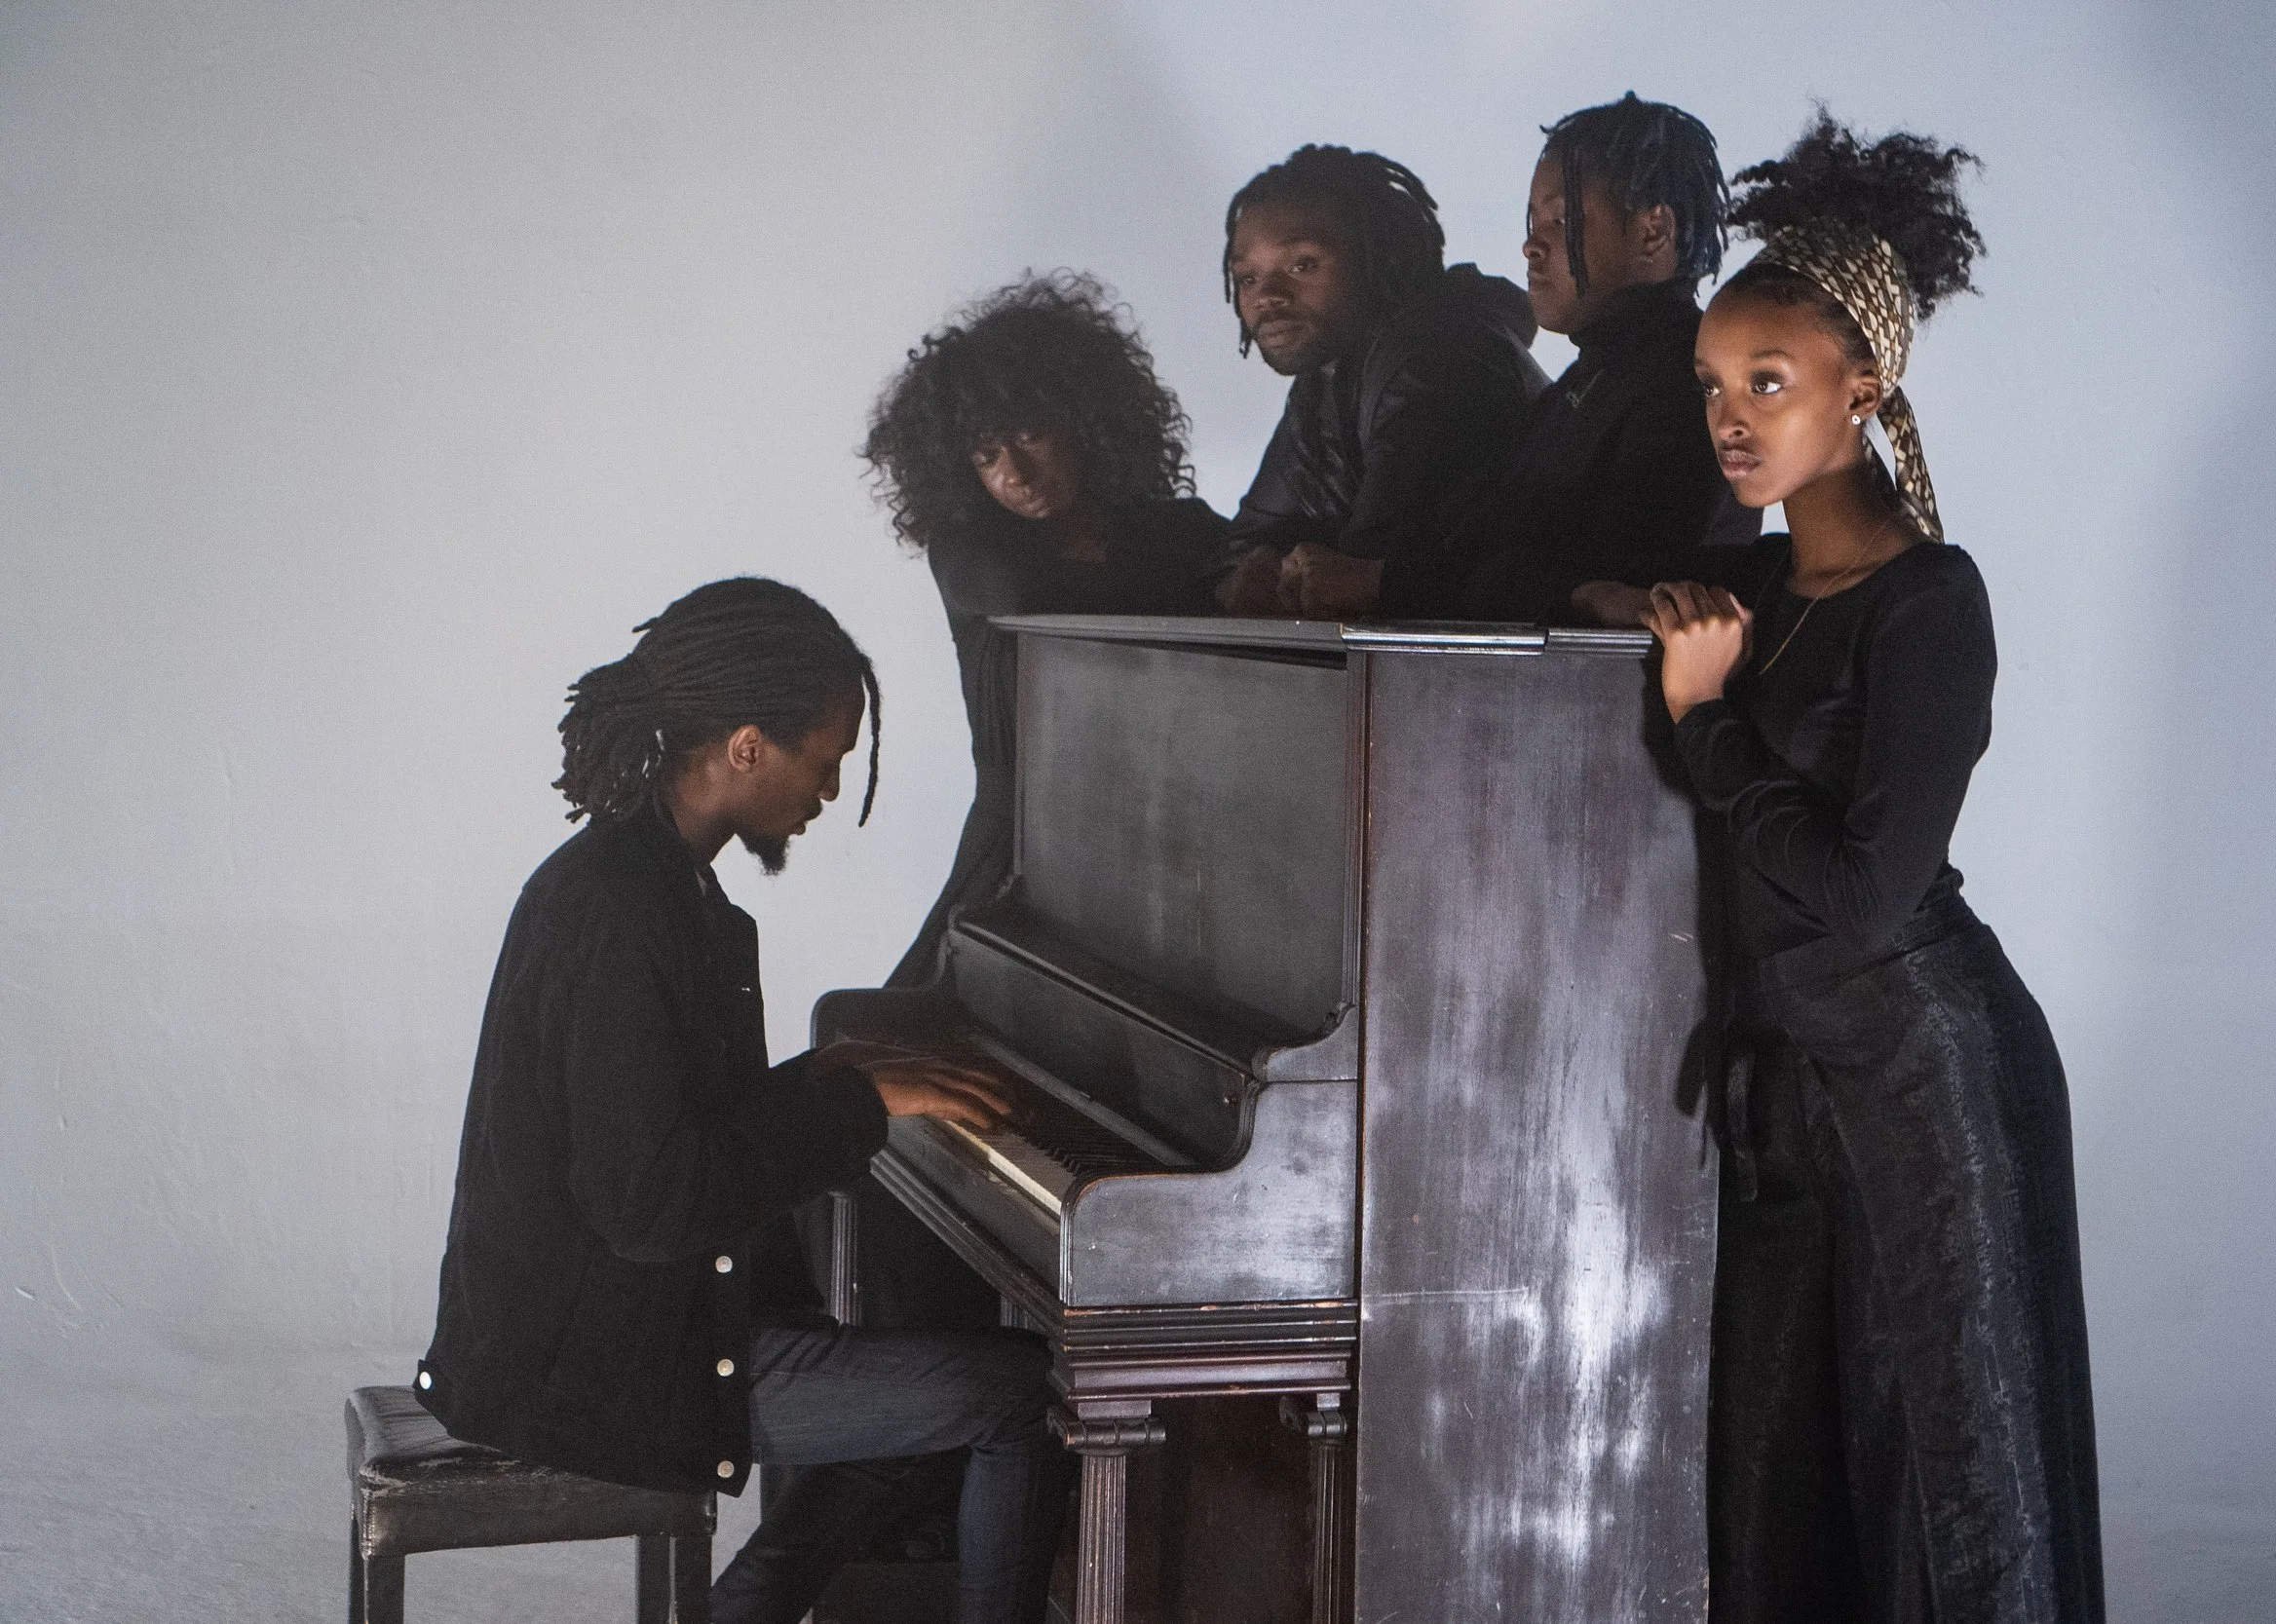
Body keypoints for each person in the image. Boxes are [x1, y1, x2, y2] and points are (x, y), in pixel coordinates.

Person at [1628, 116, 2104, 1621]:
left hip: (1926, 1072)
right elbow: (1641, 594)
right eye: (1713, 383)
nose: (1731, 415)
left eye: (1767, 381)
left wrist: (1707, 722)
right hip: (1793, 1084)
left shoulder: (1931, 601)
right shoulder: (1762, 582)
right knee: (1776, 1466)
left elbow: (1860, 890)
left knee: (1954, 1482)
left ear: (1867, 389)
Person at [415, 579, 1073, 1624]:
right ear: (747, 746)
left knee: (921, 1402)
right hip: (594, 1364)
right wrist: (854, 1105)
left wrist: (822, 1082)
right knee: (1016, 1395)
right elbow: (651, 1201)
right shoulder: (629, 916)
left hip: (598, 1328)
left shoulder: (649, 885)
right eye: (827, 760)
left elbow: (674, 1125)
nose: (830, 790)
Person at [864, 272, 1229, 990]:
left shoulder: (1173, 530)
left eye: (1031, 435)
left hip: (1169, 839)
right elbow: (1030, 598)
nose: (1016, 473)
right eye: (987, 455)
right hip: (1017, 841)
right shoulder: (969, 545)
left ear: (1083, 421)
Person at [1378, 93, 1760, 623]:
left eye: (1561, 220)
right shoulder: (1584, 384)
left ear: (1653, 231)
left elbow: (1616, 582)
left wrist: (1384, 582)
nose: (1532, 246)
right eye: (1532, 220)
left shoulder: (1690, 383)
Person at [1212, 144, 1546, 620]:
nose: (1267, 296)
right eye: (1246, 277)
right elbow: (1242, 548)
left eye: (1302, 264)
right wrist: (1249, 573)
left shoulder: (1433, 357)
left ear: (1378, 257)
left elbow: (1364, 568)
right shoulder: (1324, 381)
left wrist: (1275, 572)